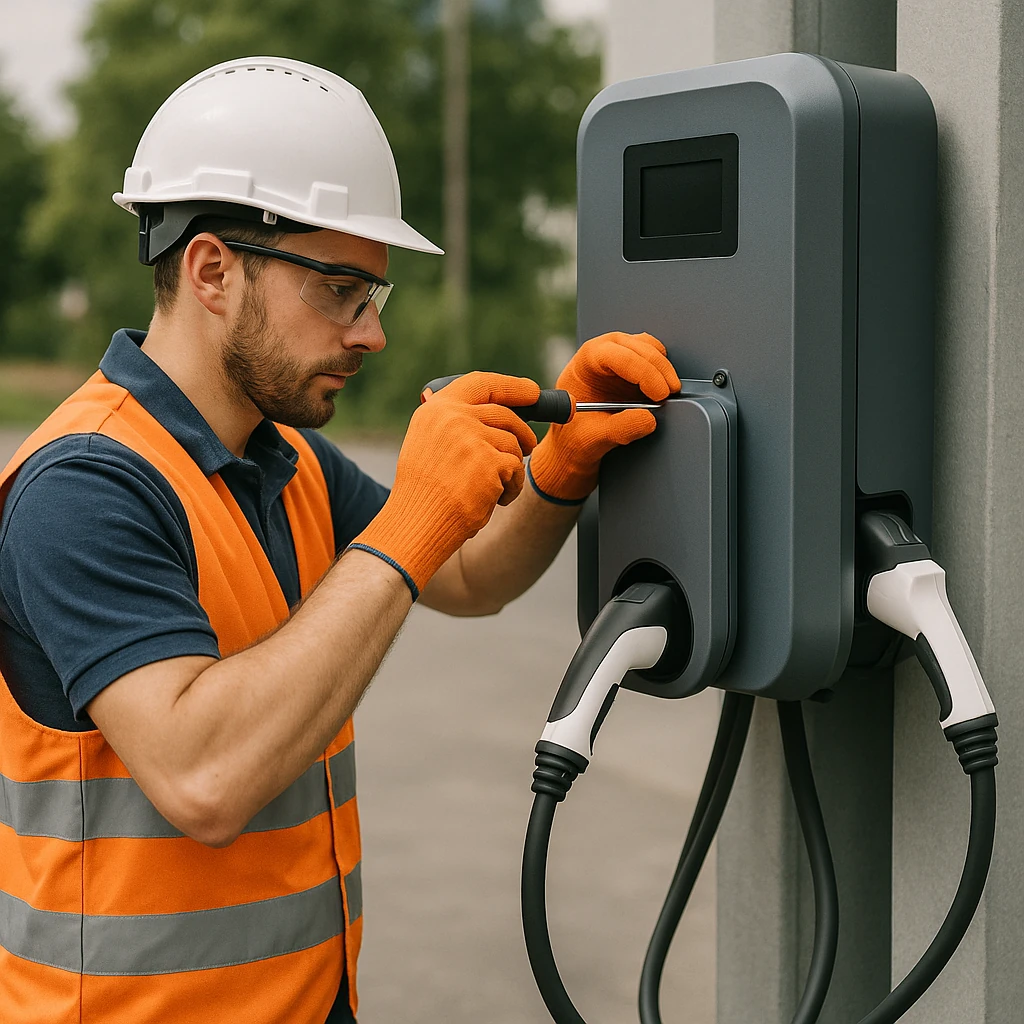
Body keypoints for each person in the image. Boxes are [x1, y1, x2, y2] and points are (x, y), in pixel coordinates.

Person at [0, 56, 680, 1024]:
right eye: (340, 290)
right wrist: (413, 514)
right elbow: (203, 776)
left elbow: (468, 574)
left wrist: (558, 470)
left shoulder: (284, 461)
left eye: (376, 296)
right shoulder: (88, 483)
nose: (371, 334)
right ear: (211, 270)